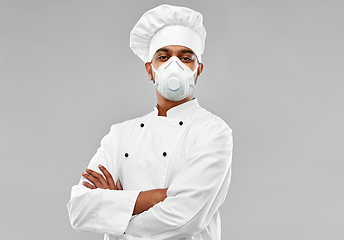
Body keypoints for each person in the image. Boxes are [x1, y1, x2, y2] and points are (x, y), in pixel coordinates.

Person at [67, 4, 233, 240]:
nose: (173, 65)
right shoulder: (120, 134)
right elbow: (80, 209)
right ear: (150, 70)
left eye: (186, 58)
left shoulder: (213, 131)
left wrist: (116, 213)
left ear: (198, 70)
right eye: (163, 57)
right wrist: (160, 196)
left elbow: (185, 219)